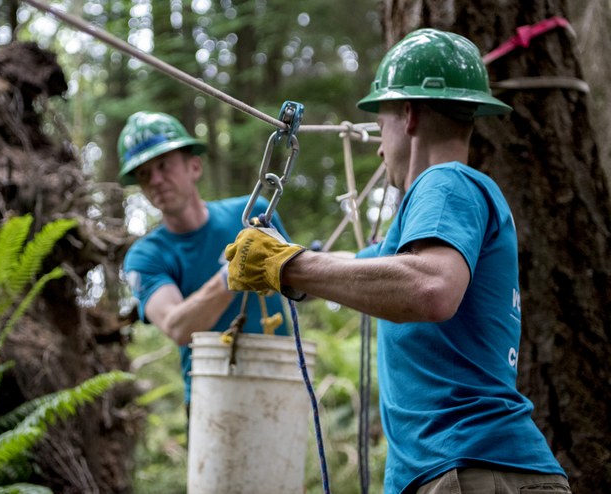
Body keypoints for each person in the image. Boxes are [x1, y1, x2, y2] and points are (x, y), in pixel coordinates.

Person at [225, 29, 571, 494]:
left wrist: (291, 266)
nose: (377, 143)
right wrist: (284, 259)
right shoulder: (427, 228)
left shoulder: (447, 182)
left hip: (471, 468)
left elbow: (429, 288)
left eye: (380, 120)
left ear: (408, 115)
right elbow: (363, 267)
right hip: (463, 470)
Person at [118, 111, 292, 414]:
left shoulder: (253, 215)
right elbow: (177, 326)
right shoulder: (146, 256)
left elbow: (297, 281)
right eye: (144, 175)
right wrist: (231, 274)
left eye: (163, 166)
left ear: (194, 166)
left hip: (280, 382)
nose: (156, 180)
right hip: (210, 395)